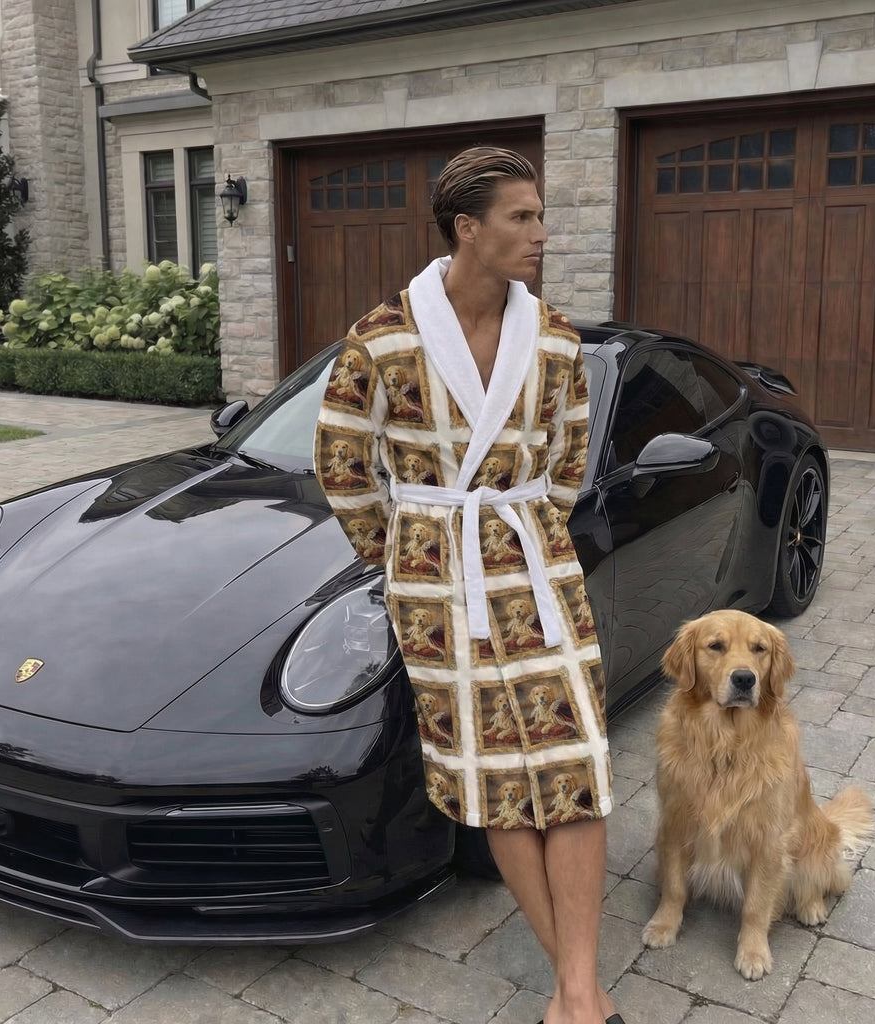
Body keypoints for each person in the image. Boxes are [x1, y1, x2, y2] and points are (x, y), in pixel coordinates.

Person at [314, 146, 623, 1024]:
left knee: (574, 762)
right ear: (468, 228)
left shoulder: (557, 338)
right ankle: (578, 988)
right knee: (489, 773)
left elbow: (567, 463)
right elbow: (341, 463)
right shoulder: (383, 338)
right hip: (435, 582)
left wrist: (518, 525)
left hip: (535, 566)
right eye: (522, 217)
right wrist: (403, 555)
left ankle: (576, 990)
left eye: (539, 215)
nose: (540, 233)